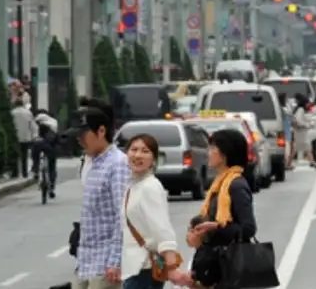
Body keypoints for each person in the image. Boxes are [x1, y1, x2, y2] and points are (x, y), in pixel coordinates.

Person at [187, 129, 257, 288]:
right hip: (214, 265)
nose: (208, 153)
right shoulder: (218, 184)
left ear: (225, 154)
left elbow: (248, 228)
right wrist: (196, 229)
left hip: (230, 268)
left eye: (212, 149)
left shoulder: (236, 185)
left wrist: (217, 227)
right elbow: (209, 218)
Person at [121, 134, 192, 289]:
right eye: (133, 150)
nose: (138, 155)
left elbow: (162, 228)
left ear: (153, 160)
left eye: (145, 151)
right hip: (135, 268)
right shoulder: (133, 185)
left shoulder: (150, 187)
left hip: (144, 270)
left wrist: (172, 266)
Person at [74, 105, 130, 289]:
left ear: (101, 131)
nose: (79, 140)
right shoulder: (93, 163)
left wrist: (114, 261)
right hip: (86, 261)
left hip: (105, 264)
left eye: (83, 135)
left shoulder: (117, 164)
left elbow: (122, 216)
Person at [33, 110, 59, 197]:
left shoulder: (35, 122)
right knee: (52, 165)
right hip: (50, 145)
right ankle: (51, 186)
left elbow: (33, 136)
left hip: (38, 144)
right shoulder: (54, 122)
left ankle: (36, 170)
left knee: (35, 156)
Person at [11, 98, 38, 178]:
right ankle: (24, 172)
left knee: (15, 156)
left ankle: (15, 172)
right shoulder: (28, 112)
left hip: (16, 137)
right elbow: (32, 125)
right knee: (24, 156)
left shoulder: (12, 113)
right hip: (26, 137)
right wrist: (34, 136)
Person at [291, 93, 316, 168]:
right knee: (302, 147)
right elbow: (299, 121)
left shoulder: (298, 109)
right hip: (300, 132)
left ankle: (312, 162)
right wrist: (308, 125)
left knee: (302, 147)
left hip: (299, 132)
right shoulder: (301, 109)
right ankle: (312, 162)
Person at [278, 93, 295, 170]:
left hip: (288, 130)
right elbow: (290, 115)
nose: (287, 100)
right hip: (285, 131)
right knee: (286, 148)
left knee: (288, 148)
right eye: (286, 99)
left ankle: (287, 163)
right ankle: (286, 164)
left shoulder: (284, 108)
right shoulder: (282, 109)